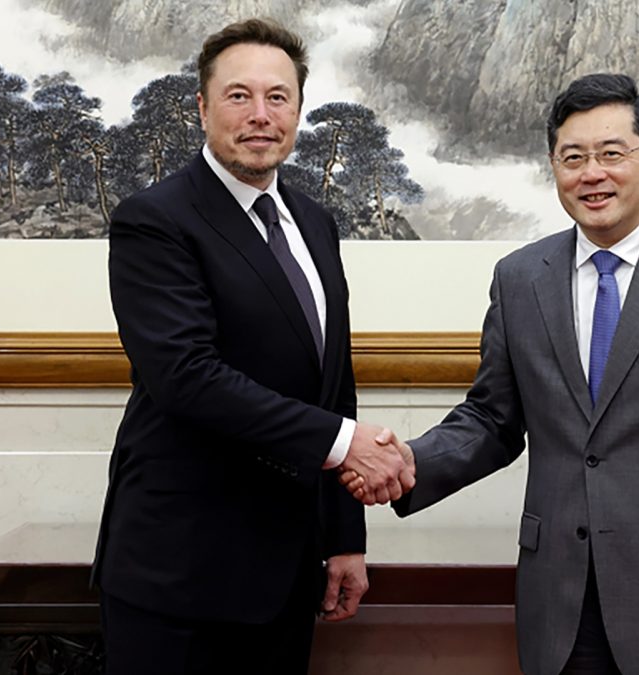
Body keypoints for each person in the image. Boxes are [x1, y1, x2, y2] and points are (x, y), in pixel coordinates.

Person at [349, 73, 639, 674]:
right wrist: (408, 464)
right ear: (554, 166)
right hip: (558, 603)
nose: (593, 173)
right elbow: (492, 419)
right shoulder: (520, 277)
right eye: (573, 157)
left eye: (613, 154)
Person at [91, 18, 413, 675]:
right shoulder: (154, 219)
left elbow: (333, 381)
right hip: (179, 576)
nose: (261, 115)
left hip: (286, 574)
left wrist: (345, 538)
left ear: (298, 108)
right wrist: (343, 442)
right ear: (203, 107)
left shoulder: (315, 223)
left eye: (279, 97)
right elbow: (186, 375)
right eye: (239, 96)